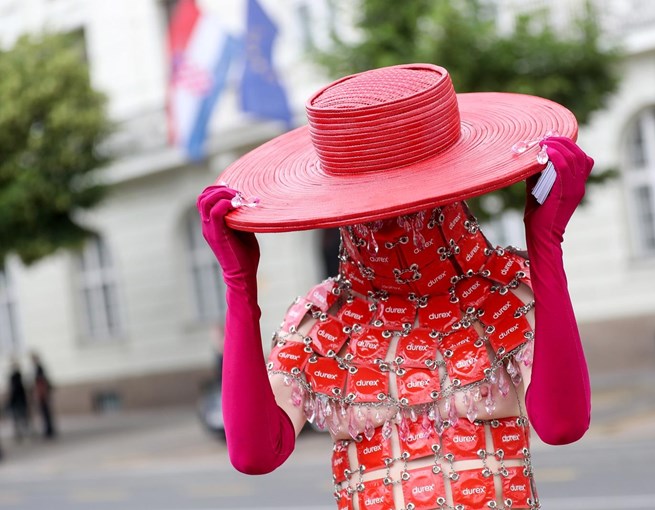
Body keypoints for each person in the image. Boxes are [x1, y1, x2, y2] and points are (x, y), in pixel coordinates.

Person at [198, 63, 593, 510]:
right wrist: (239, 289)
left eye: (409, 198)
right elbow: (254, 454)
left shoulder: (504, 291)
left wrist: (545, 247)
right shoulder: (322, 323)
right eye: (367, 206)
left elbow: (563, 425)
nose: (388, 222)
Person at [30, 352, 56, 439]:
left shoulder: (39, 368)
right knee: (45, 413)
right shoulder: (38, 368)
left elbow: (41, 382)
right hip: (42, 394)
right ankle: (49, 430)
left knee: (46, 413)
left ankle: (49, 430)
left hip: (42, 394)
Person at [7, 359, 31, 442]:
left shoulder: (17, 377)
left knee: (21, 418)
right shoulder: (16, 377)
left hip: (18, 401)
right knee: (19, 419)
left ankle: (23, 434)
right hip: (18, 401)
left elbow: (16, 390)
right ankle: (21, 434)